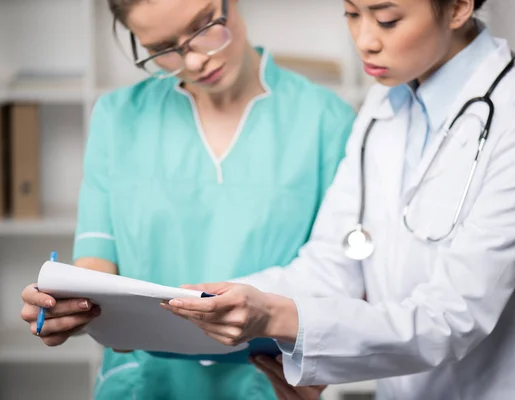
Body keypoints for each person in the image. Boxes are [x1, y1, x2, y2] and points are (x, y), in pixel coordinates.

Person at [162, 0, 515, 399]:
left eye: (386, 19)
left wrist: (279, 318)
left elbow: (453, 318)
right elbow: (333, 264)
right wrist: (209, 306)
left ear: (458, 7)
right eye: (351, 13)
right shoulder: (387, 98)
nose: (364, 39)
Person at [19, 0, 356, 399]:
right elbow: (95, 269)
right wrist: (64, 309)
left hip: (266, 386)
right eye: (163, 49)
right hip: (143, 384)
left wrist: (322, 365)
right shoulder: (118, 117)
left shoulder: (328, 121)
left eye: (203, 26)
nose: (194, 60)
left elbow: (342, 284)